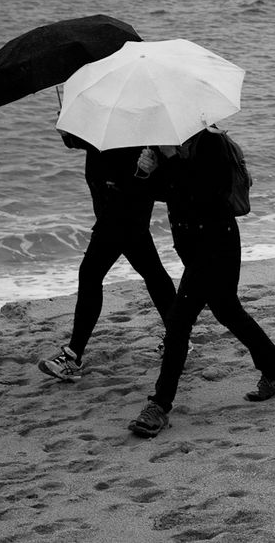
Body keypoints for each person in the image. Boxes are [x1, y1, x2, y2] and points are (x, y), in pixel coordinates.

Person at [128, 127, 275, 438]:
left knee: (178, 324)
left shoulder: (210, 144)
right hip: (192, 248)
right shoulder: (166, 145)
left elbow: (206, 194)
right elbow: (164, 192)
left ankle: (160, 406)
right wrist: (145, 172)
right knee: (227, 310)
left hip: (217, 243)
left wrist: (170, 159)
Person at [38, 134, 177, 381]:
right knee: (152, 273)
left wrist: (153, 169)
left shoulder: (143, 128)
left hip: (124, 210)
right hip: (114, 211)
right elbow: (81, 140)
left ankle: (73, 356)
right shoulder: (105, 122)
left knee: (91, 274)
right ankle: (178, 339)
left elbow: (165, 183)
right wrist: (68, 131)